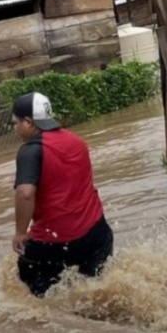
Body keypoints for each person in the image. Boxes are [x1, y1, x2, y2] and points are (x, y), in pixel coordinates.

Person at [11, 91, 113, 297]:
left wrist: (20, 233)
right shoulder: (76, 140)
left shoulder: (30, 150)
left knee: (35, 302)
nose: (15, 128)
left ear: (29, 122)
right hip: (97, 235)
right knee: (95, 295)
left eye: (15, 123)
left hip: (55, 243)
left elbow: (25, 194)